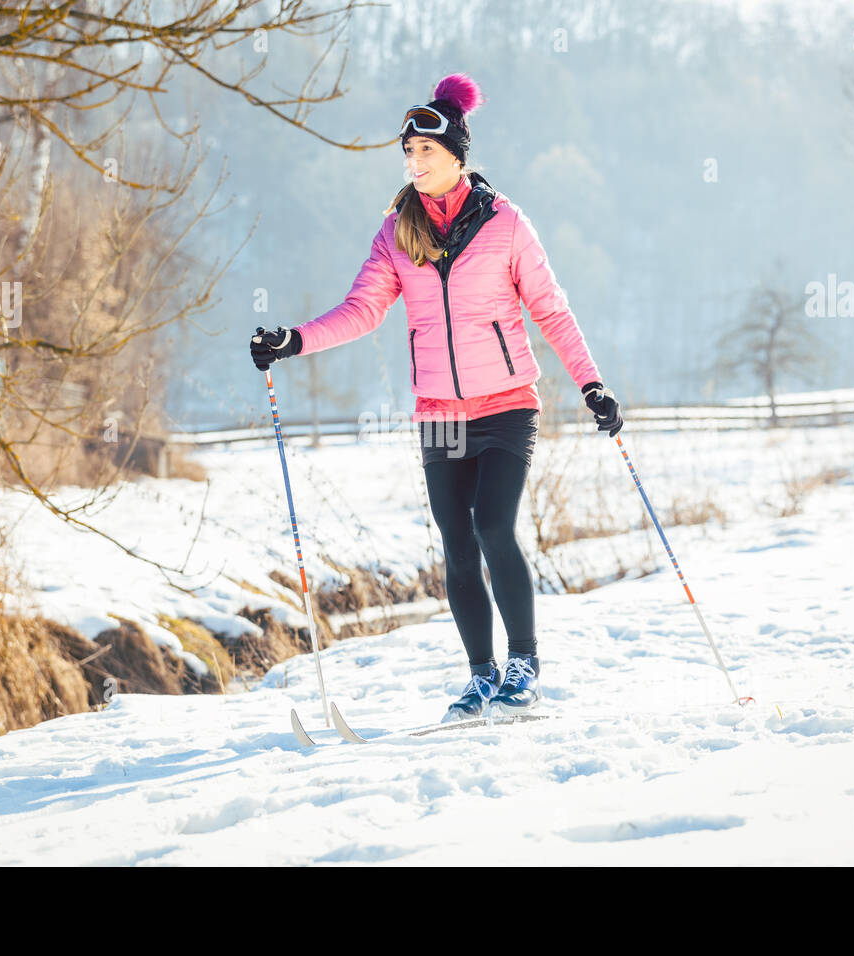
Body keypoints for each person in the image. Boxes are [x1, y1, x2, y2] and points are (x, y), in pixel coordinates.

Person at [250, 73, 623, 723]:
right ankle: (481, 676)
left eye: (426, 151)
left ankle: (523, 664)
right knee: (456, 545)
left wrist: (591, 382)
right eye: (408, 153)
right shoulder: (399, 230)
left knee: (492, 525)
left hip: (506, 404)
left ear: (456, 155)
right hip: (440, 416)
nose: (414, 162)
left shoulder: (506, 225)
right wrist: (293, 340)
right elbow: (362, 310)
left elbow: (552, 311)